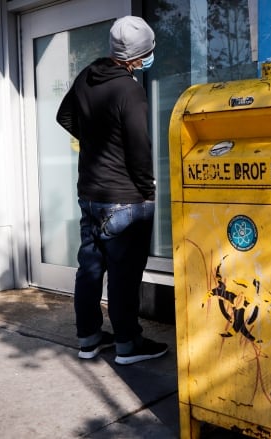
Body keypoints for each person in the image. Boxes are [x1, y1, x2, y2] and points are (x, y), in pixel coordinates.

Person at [56, 16, 168, 365]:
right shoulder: (130, 90)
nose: (150, 56)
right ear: (137, 56)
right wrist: (147, 189)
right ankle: (128, 344)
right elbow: (139, 148)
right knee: (124, 273)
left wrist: (94, 142)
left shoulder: (88, 75)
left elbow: (65, 117)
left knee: (90, 267)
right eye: (148, 51)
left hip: (90, 193)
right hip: (125, 197)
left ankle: (89, 338)